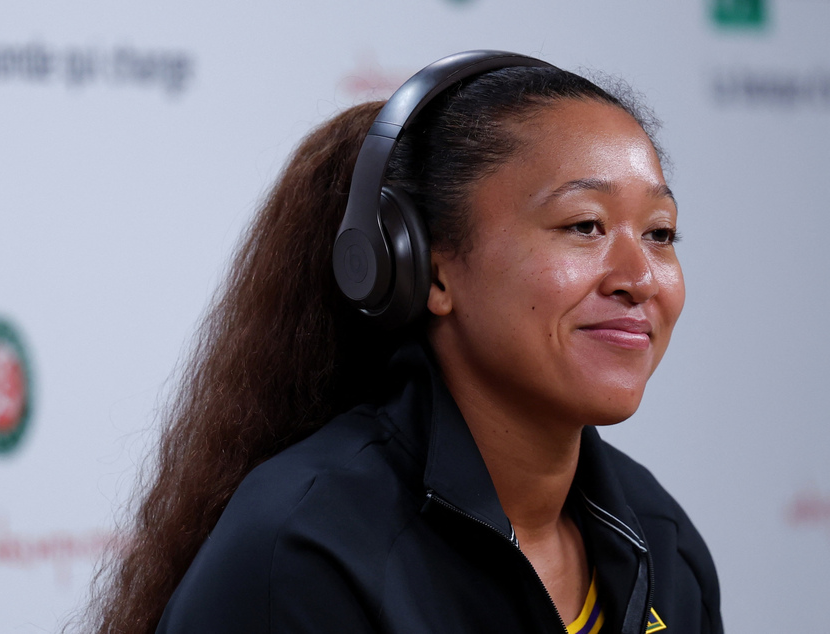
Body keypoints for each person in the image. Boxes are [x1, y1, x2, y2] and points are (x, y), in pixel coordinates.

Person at [83, 51, 723, 634]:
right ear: (427, 268)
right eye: (585, 225)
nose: (640, 278)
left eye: (661, 234)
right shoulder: (309, 552)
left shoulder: (661, 541)